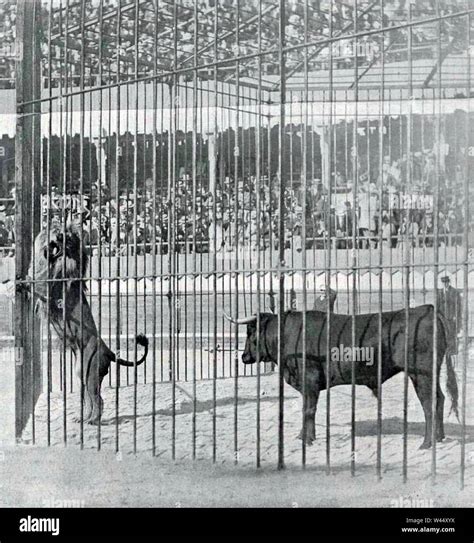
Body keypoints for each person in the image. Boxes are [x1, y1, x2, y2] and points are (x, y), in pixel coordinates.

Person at [437, 275, 462, 355]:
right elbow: (437, 305)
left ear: (448, 282)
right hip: (442, 316)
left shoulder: (454, 292)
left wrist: (456, 315)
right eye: (443, 283)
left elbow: (458, 305)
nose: (445, 284)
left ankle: (452, 350)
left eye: (446, 282)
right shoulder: (439, 292)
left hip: (451, 316)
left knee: (451, 333)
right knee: (443, 333)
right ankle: (444, 350)